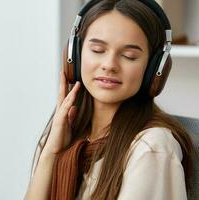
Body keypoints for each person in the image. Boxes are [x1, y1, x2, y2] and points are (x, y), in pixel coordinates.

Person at [25, 0, 196, 199]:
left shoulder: (152, 147)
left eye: (129, 56)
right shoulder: (65, 131)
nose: (109, 65)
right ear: (75, 55)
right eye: (97, 50)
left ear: (154, 70)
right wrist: (50, 153)